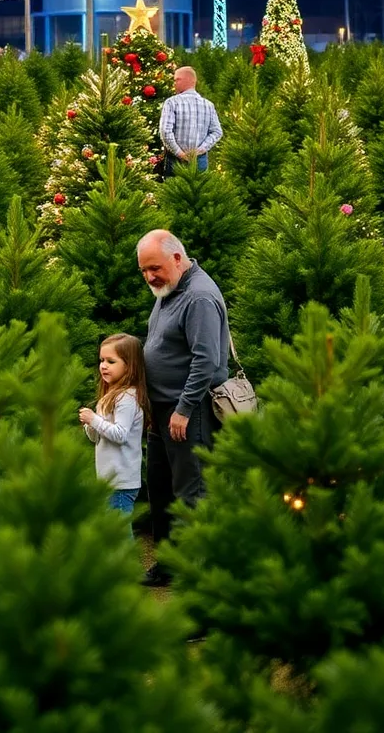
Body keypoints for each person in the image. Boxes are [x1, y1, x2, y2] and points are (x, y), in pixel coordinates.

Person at [136, 229, 232, 587]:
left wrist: (184, 408)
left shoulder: (199, 297)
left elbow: (206, 360)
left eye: (155, 268)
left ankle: (200, 585)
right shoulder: (169, 289)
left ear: (177, 258)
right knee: (161, 489)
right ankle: (170, 564)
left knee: (192, 495)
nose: (150, 277)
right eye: (144, 270)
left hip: (188, 414)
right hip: (162, 413)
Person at [79, 333, 150, 534]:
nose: (103, 365)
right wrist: (90, 424)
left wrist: (94, 419)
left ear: (130, 366)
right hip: (108, 479)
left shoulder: (127, 397)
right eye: (102, 360)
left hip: (121, 481)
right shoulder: (109, 396)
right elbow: (96, 438)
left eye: (111, 361)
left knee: (118, 532)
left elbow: (120, 435)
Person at [157, 66, 223, 176]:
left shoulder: (172, 102)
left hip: (176, 161)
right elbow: (217, 132)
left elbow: (165, 131)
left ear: (187, 80)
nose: (174, 83)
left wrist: (180, 153)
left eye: (177, 79)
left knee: (173, 192)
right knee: (200, 192)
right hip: (199, 160)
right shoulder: (208, 105)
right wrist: (200, 150)